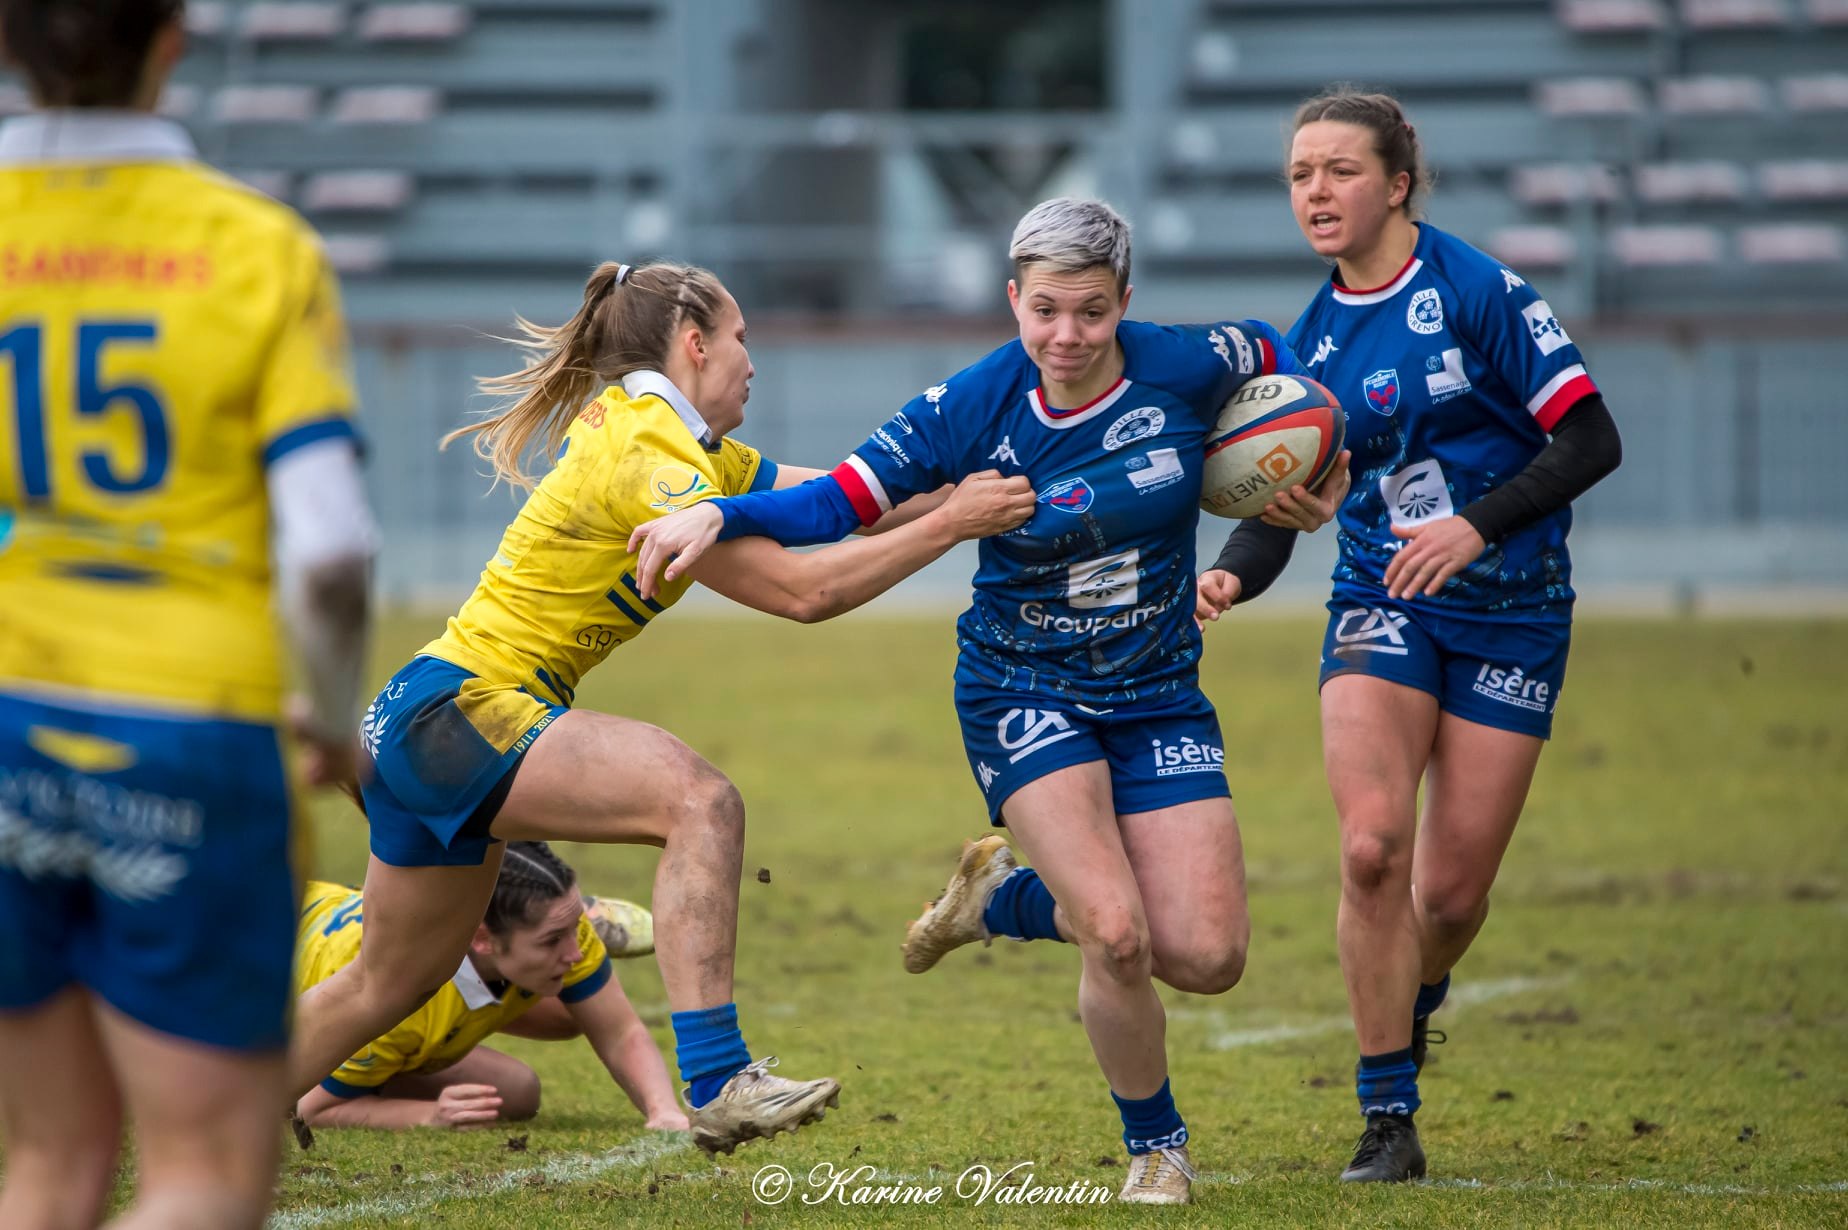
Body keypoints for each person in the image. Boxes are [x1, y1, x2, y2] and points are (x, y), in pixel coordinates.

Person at [630, 197, 1344, 1205]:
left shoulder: (1192, 361)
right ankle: (1159, 1149)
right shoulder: (971, 405)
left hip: (1158, 694)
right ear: (1013, 299)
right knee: (1118, 931)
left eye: (1091, 314)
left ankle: (996, 899)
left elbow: (1308, 375)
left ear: (1124, 305)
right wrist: (720, 510)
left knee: (1208, 955)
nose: (1066, 336)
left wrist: (1325, 471)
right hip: (1024, 688)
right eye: (1044, 310)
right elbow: (839, 498)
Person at [284, 257, 1037, 1157]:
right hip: (466, 711)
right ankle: (720, 1080)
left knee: (386, 983)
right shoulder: (649, 450)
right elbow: (804, 594)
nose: (751, 361)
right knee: (699, 800)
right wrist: (950, 528)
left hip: (416, 718)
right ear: (693, 344)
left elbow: (841, 503)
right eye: (740, 339)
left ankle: (213, 1108)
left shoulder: (679, 443)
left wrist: (988, 479)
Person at [1197, 88, 1623, 1182]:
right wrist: (1230, 576)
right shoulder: (1310, 341)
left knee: (1451, 899)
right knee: (1374, 847)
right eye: (1300, 175)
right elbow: (1292, 505)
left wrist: (1477, 527)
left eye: (1340, 171)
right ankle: (1388, 1116)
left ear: (1396, 183)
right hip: (1382, 604)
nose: (1316, 193)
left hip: (1516, 614)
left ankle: (1411, 998)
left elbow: (1591, 439)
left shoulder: (1477, 289)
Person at [0, 1, 375, 1226]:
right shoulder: (254, 247)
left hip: (9, 719)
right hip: (192, 727)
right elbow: (326, 554)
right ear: (170, 43)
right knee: (203, 1173)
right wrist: (329, 720)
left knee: (47, 1163)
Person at [293, 843, 686, 1133]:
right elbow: (310, 1108)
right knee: (505, 1090)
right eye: (553, 939)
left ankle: (552, 925)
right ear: (481, 938)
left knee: (520, 1088)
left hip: (394, 947)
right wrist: (427, 1116)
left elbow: (619, 1031)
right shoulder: (394, 1001)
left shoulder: (568, 939)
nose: (574, 951)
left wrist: (663, 1111)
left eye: (573, 930)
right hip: (260, 934)